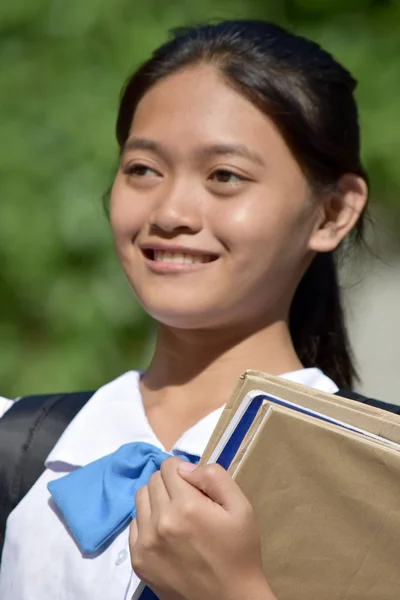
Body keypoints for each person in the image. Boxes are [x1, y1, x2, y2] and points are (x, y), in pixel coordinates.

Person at [0, 19, 371, 600]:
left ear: (332, 212)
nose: (171, 210)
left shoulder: (377, 476)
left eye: (225, 176)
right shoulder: (19, 447)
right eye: (143, 169)